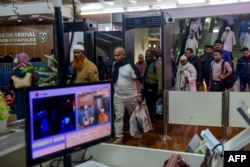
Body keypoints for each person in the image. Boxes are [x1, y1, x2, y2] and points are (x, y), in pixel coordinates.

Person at [111, 46, 142, 144]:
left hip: (131, 96)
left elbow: (137, 80)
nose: (115, 57)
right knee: (118, 117)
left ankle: (136, 132)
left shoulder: (130, 65)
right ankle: (118, 137)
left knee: (134, 116)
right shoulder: (114, 65)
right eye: (114, 55)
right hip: (118, 96)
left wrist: (138, 94)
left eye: (118, 55)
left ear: (123, 55)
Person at [12, 52, 37, 120]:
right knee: (29, 105)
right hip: (29, 90)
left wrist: (16, 69)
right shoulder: (30, 68)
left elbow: (12, 78)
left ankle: (20, 120)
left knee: (20, 106)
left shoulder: (16, 69)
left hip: (19, 90)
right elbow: (35, 78)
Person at [143, 49, 162, 121]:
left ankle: (158, 118)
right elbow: (144, 74)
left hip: (155, 85)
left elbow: (160, 76)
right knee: (148, 103)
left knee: (157, 103)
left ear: (152, 56)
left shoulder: (157, 63)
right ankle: (149, 117)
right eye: (146, 56)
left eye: (149, 56)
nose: (147, 58)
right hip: (147, 85)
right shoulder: (147, 63)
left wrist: (160, 88)